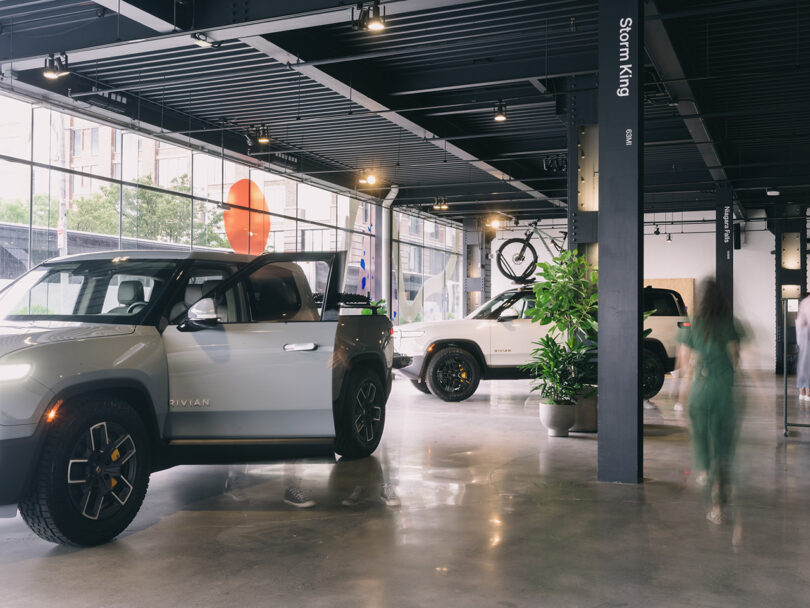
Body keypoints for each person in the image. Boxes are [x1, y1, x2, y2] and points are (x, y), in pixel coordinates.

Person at [677, 278, 745, 524]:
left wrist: (681, 402)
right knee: (721, 445)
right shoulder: (730, 323)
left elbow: (686, 369)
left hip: (700, 390)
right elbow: (735, 360)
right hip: (723, 391)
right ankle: (718, 498)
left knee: (700, 437)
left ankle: (705, 472)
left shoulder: (691, 325)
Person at [795, 293, 810, 402]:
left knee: (803, 366)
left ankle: (802, 393)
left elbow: (799, 325)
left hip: (803, 340)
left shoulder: (803, 304)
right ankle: (808, 393)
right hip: (806, 339)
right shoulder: (806, 303)